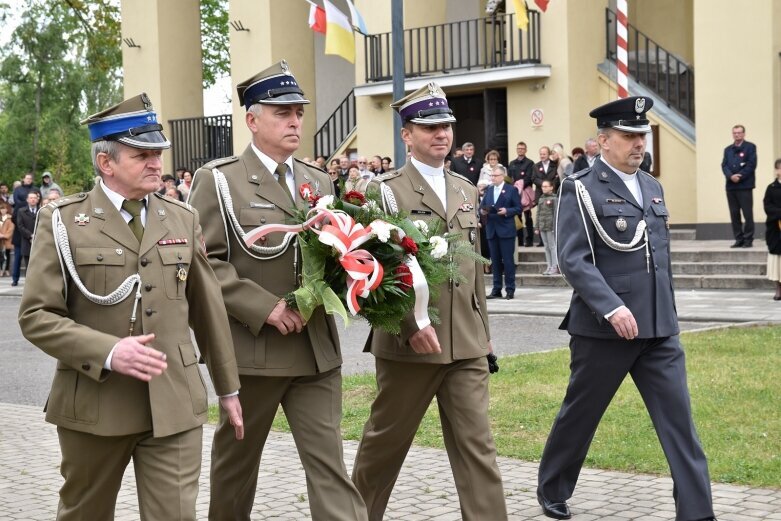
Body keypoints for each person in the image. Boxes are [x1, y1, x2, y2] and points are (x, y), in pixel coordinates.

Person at [17, 93, 243, 521]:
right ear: (107, 163)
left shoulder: (182, 217)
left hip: (174, 400)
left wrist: (228, 388)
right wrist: (109, 351)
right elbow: (36, 316)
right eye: (143, 155)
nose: (157, 163)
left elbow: (207, 308)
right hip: (96, 404)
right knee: (85, 514)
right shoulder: (64, 220)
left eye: (158, 154)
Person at [187, 60, 367, 521]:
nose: (294, 121)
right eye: (282, 112)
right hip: (253, 354)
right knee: (236, 471)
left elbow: (331, 254)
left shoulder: (318, 180)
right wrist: (263, 307)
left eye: (299, 113)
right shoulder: (220, 180)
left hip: (314, 351)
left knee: (330, 467)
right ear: (252, 119)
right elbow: (204, 265)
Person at [536, 96, 717, 521]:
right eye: (630, 136)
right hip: (604, 330)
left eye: (643, 135)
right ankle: (553, 488)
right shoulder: (579, 187)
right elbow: (573, 259)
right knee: (581, 415)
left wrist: (667, 314)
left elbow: (659, 258)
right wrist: (611, 307)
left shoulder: (653, 186)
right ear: (603, 141)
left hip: (657, 329)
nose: (639, 143)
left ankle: (698, 511)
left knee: (679, 423)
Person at [352, 82, 507, 521]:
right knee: (384, 447)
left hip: (466, 346)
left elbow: (474, 273)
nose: (441, 134)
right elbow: (370, 273)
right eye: (429, 126)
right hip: (410, 347)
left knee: (479, 450)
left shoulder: (465, 189)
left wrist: (486, 336)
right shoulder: (385, 191)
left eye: (446, 126)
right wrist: (408, 326)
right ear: (406, 135)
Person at [481, 164, 521, 299]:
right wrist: (483, 211)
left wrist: (507, 211)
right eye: (491, 175)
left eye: (495, 175)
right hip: (492, 230)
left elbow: (518, 208)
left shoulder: (511, 190)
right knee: (495, 262)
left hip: (506, 230)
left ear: (502, 176)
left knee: (508, 261)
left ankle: (510, 289)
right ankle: (496, 289)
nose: (492, 178)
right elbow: (481, 207)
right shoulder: (489, 190)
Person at [722, 124, 757, 248]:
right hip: (731, 187)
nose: (737, 135)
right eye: (734, 133)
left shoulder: (750, 147)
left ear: (743, 134)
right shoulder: (728, 149)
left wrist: (740, 176)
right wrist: (731, 176)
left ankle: (748, 239)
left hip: (745, 186)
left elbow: (751, 165)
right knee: (734, 214)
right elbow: (724, 165)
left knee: (747, 214)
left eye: (739, 133)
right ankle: (738, 238)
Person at [508, 141, 536, 247]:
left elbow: (529, 178)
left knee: (528, 217)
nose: (520, 150)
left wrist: (520, 186)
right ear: (516, 149)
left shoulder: (530, 163)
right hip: (515, 194)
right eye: (519, 148)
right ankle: (519, 241)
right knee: (517, 217)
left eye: (522, 148)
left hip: (525, 193)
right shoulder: (512, 163)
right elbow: (509, 178)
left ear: (526, 150)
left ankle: (529, 240)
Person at [12, 190, 39, 286]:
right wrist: (30, 235)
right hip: (26, 242)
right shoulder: (21, 211)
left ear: (37, 199)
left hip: (39, 241)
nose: (33, 200)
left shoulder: (42, 211)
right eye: (31, 198)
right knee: (28, 265)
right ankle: (30, 285)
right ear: (27, 200)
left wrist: (37, 235)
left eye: (34, 198)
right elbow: (20, 226)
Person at [764, 159, 781, 301]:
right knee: (776, 259)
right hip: (775, 230)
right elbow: (767, 207)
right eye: (779, 168)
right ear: (776, 170)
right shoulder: (771, 188)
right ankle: (778, 287)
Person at [535, 179, 559, 275]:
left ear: (551, 187)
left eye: (546, 186)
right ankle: (549, 265)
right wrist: (537, 227)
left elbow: (556, 213)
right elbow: (538, 213)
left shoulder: (554, 198)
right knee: (546, 247)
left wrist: (555, 227)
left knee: (552, 246)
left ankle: (555, 266)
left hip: (550, 226)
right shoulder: (541, 199)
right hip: (542, 226)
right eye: (542, 186)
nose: (543, 188)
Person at [0, 202, 13, 277]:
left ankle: (7, 269)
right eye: (1, 209)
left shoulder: (9, 218)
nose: (3, 210)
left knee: (7, 255)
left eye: (4, 208)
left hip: (7, 240)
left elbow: (11, 228)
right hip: (0, 241)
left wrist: (4, 235)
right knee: (0, 255)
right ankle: (1, 270)